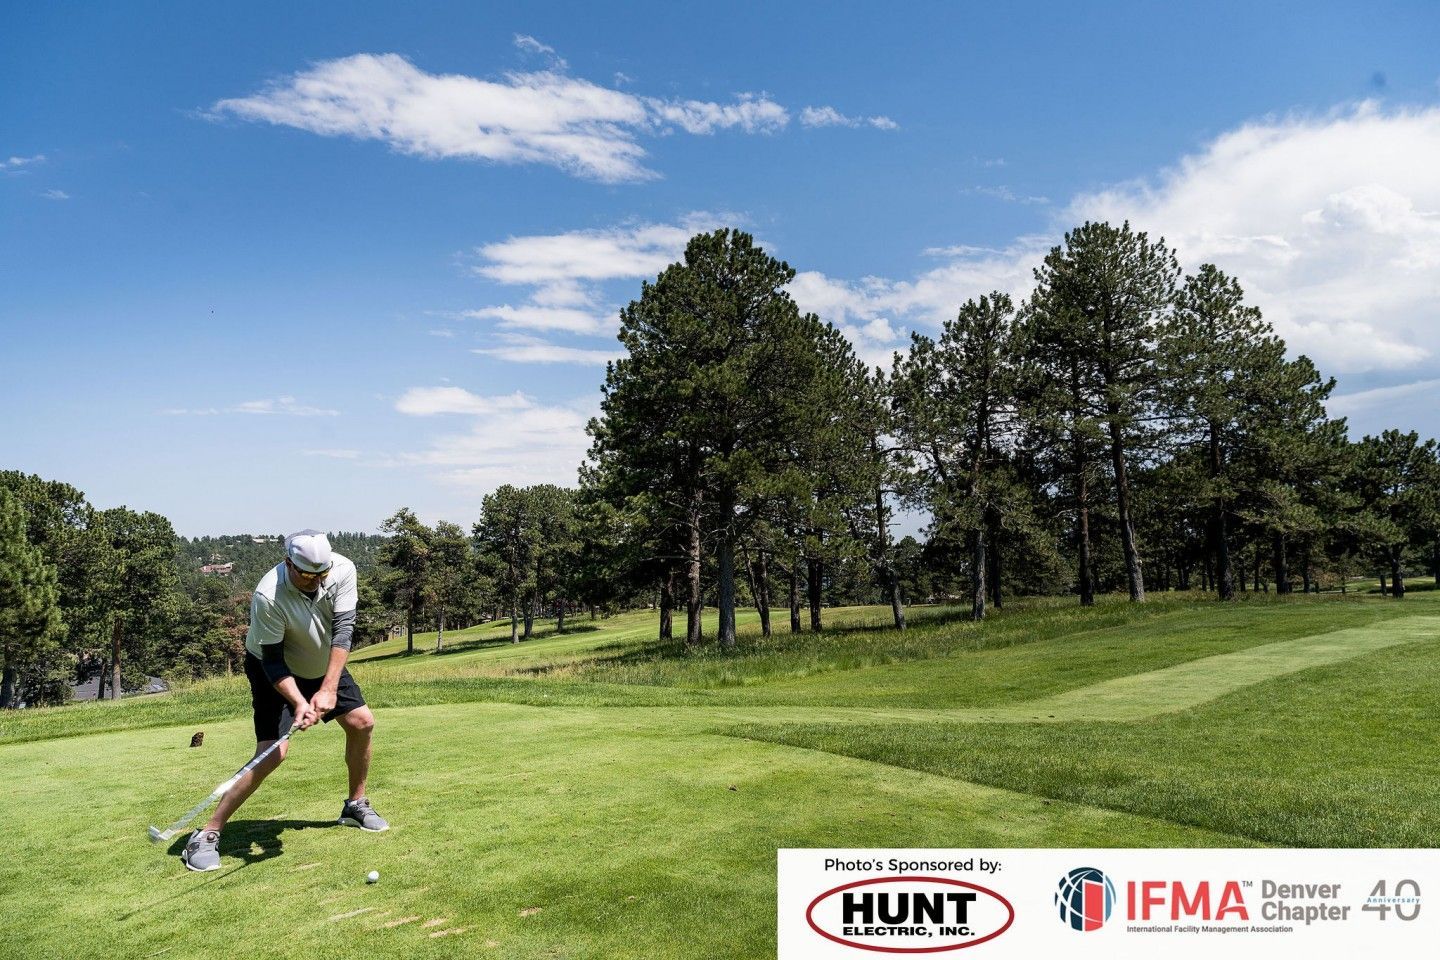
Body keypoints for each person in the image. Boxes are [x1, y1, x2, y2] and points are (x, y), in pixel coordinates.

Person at [181, 530, 388, 871]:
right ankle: (206, 834)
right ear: (288, 563)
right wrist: (298, 702)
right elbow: (273, 661)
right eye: (306, 574)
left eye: (320, 575)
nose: (314, 581)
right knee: (273, 751)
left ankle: (355, 804)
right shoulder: (268, 594)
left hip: (321, 661)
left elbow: (344, 631)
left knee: (362, 722)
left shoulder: (343, 569)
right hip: (272, 667)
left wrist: (328, 688)